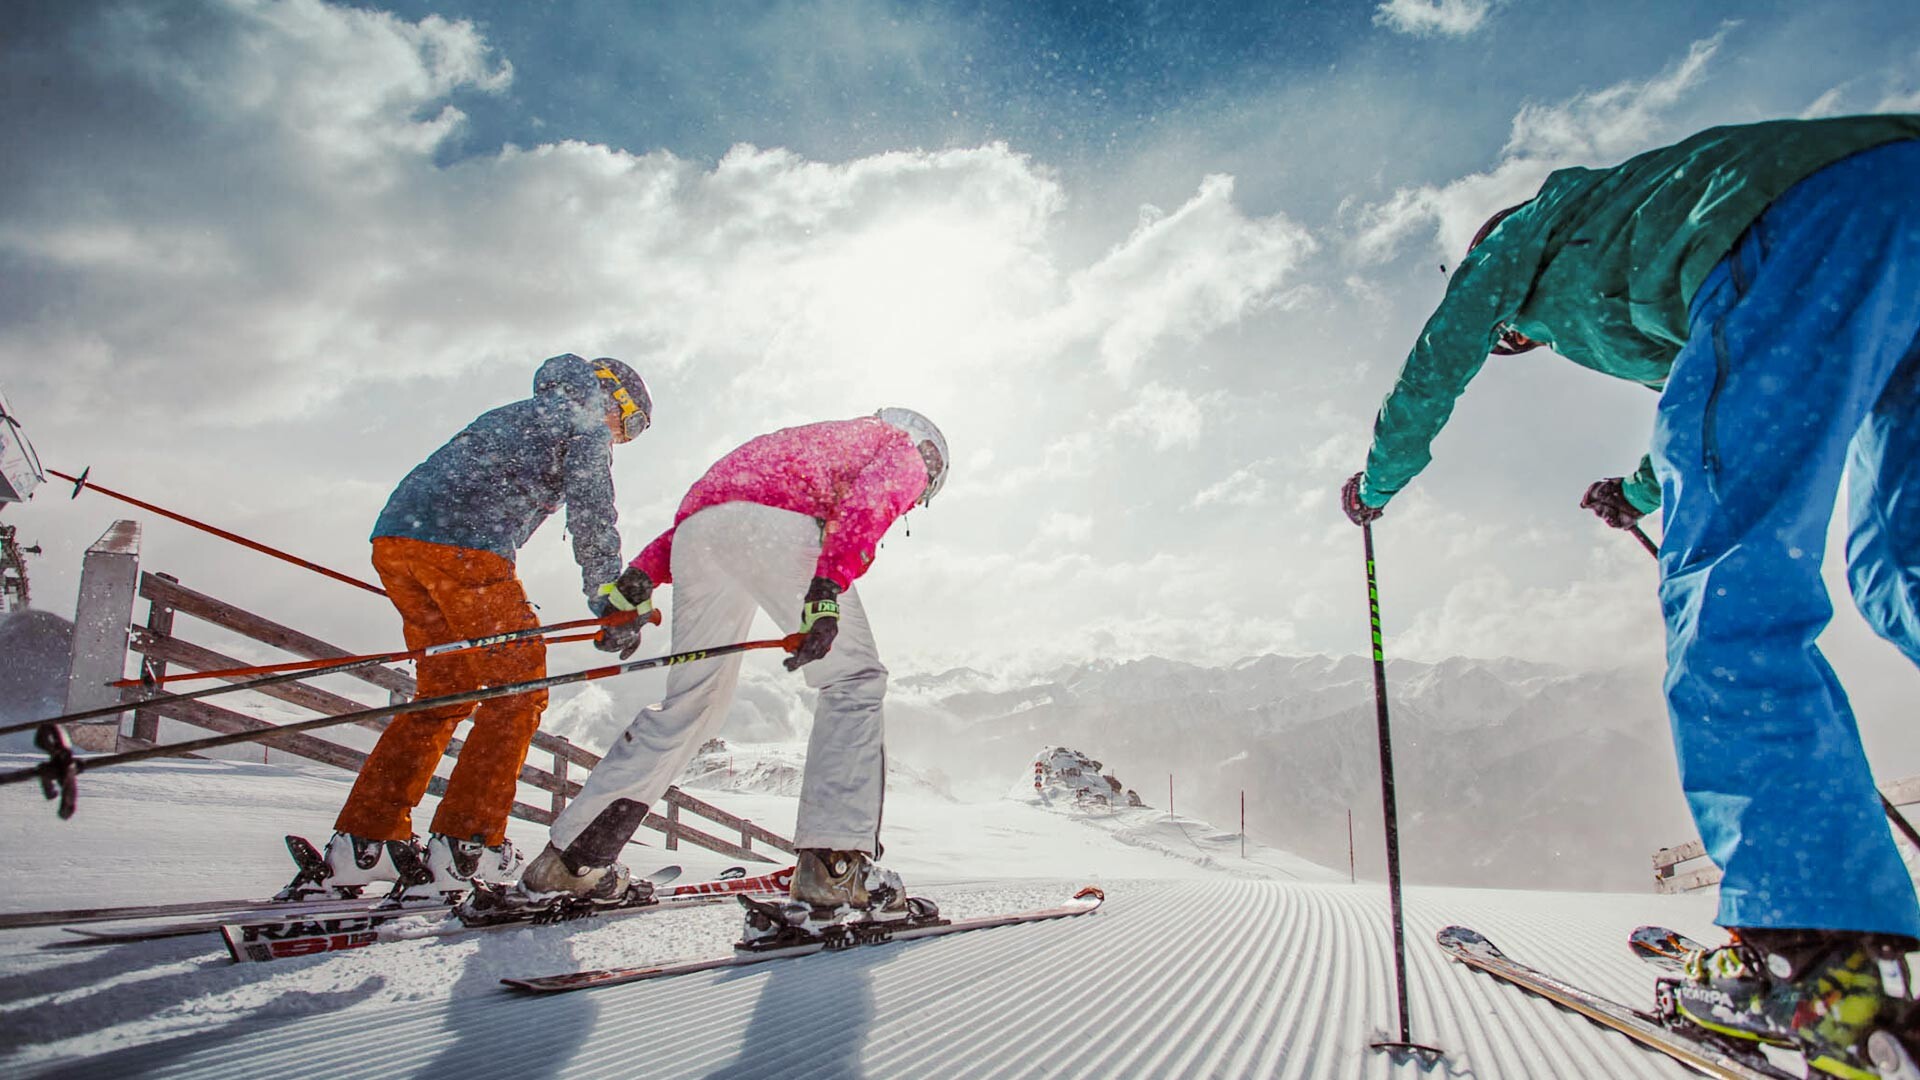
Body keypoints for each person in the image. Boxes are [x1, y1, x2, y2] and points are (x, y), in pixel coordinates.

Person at [1342, 115, 1920, 1076]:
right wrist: (1638, 491)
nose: (1522, 341)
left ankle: (1819, 956)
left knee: (1731, 591)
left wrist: (1378, 482)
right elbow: (1732, 385)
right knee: (1901, 571)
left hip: (1807, 227)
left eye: (1518, 338)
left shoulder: (1522, 235)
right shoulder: (1646, 209)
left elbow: (1438, 360)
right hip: (1891, 202)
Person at [462, 408, 948, 933]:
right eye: (923, 494)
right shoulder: (902, 447)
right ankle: (837, 874)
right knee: (853, 679)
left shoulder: (815, 440)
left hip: (700, 529)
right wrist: (826, 591)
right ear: (931, 458)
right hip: (778, 527)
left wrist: (635, 585)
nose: (914, 499)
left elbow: (715, 513)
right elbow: (867, 505)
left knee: (691, 706)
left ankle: (571, 865)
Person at [280, 354, 653, 903]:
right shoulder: (585, 420)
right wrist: (610, 596)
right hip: (466, 554)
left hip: (398, 544)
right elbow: (593, 511)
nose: (625, 437)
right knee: (517, 693)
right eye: (635, 424)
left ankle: (365, 841)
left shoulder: (521, 410)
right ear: (614, 398)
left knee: (443, 691)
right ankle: (464, 846)